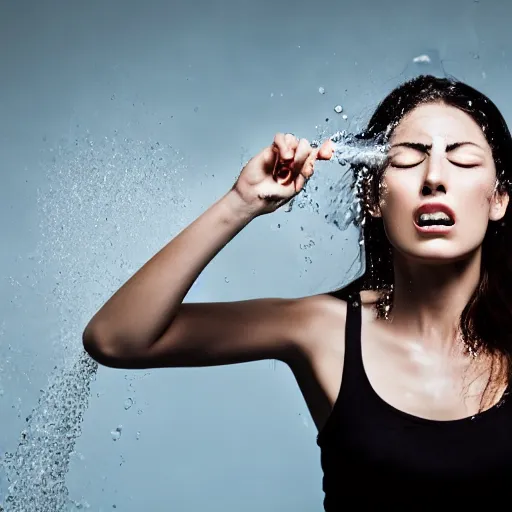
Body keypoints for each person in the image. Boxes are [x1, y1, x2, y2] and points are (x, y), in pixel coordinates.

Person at [82, 75, 512, 508]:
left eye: (464, 161)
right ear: (373, 197)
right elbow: (117, 338)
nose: (434, 177)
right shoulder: (321, 328)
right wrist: (240, 202)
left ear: (499, 199)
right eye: (406, 160)